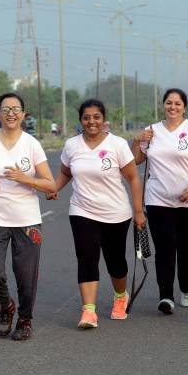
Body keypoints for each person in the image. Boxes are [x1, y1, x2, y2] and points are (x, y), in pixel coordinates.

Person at [49, 99, 145, 328]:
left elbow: (133, 177)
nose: (91, 122)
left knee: (116, 261)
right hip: (82, 210)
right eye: (86, 117)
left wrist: (138, 211)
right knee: (86, 258)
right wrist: (54, 188)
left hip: (116, 213)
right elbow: (65, 172)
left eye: (96, 117)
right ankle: (89, 311)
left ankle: (120, 296)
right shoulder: (72, 145)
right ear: (81, 120)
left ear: (103, 120)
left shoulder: (117, 144)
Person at [0, 93, 56, 340]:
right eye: (5, 108)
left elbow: (50, 185)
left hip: (26, 219)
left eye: (16, 109)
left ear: (23, 114)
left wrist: (25, 178)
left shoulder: (31, 144)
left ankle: (25, 319)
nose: (11, 113)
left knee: (26, 276)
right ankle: (6, 305)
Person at [131, 88, 188, 314]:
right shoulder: (151, 131)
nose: (172, 107)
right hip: (157, 199)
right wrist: (137, 141)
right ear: (163, 105)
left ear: (184, 107)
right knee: (164, 248)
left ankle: (187, 288)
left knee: (186, 247)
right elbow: (137, 160)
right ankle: (166, 295)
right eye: (169, 103)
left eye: (177, 103)